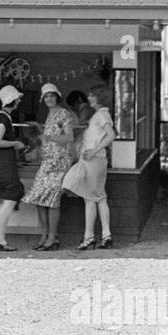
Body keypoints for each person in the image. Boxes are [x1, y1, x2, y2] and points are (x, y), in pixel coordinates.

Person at [62, 84, 116, 250]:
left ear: (99, 97)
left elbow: (111, 135)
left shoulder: (102, 115)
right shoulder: (99, 115)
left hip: (93, 159)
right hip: (91, 159)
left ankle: (92, 236)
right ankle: (98, 235)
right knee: (93, 197)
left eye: (92, 95)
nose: (89, 98)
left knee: (94, 196)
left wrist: (94, 150)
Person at [24, 83, 77, 252]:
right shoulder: (49, 114)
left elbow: (69, 137)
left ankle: (52, 237)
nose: (49, 99)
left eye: (52, 95)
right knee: (39, 197)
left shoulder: (63, 113)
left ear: (58, 97)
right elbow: (48, 138)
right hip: (47, 161)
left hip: (59, 162)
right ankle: (45, 234)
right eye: (46, 96)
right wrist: (39, 132)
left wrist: (46, 135)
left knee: (53, 199)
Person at [0, 84, 26, 252]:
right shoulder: (4, 119)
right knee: (11, 197)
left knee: (4, 201)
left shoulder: (2, 117)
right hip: (5, 165)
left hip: (1, 164)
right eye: (17, 99)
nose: (19, 101)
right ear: (13, 100)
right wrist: (16, 143)